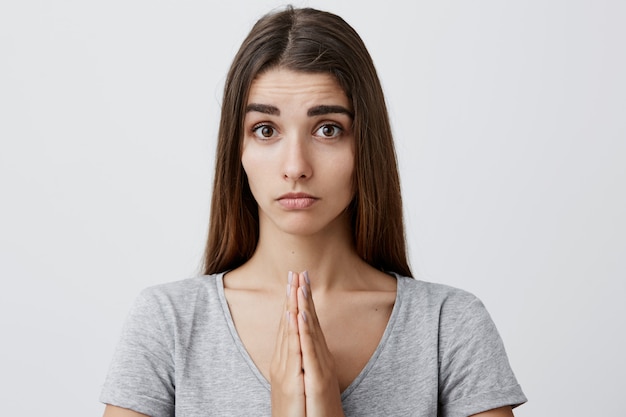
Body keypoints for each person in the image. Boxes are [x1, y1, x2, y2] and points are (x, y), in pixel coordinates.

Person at [100, 6, 526, 417]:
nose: (296, 167)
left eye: (327, 129)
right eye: (266, 130)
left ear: (365, 146)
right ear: (238, 150)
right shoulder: (168, 323)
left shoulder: (447, 327)